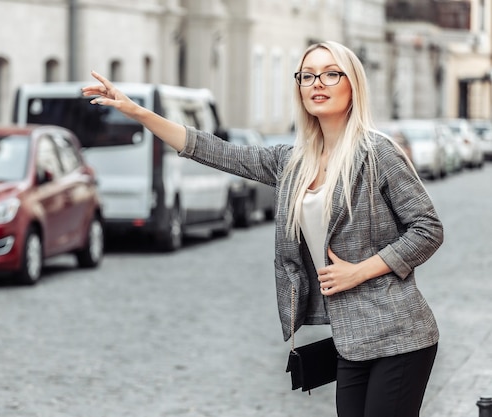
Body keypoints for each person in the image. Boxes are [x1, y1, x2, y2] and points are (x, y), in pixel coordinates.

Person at [82, 40, 443, 417]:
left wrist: (359, 272)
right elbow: (214, 150)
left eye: (331, 73)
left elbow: (428, 228)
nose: (317, 83)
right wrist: (138, 112)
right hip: (351, 341)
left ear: (352, 84)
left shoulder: (377, 153)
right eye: (307, 75)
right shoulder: (293, 162)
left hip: (400, 334)